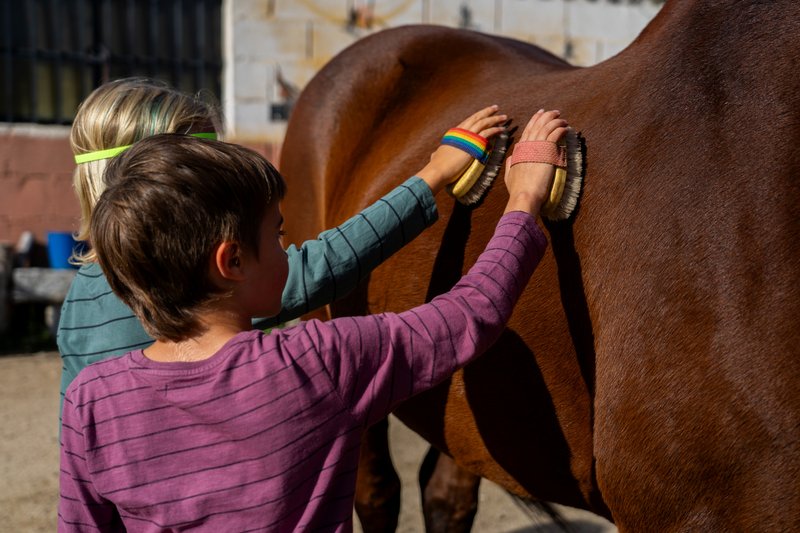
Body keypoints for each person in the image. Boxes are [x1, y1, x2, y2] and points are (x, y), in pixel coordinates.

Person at [58, 109, 568, 531]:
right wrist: (523, 199)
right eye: (277, 235)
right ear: (232, 262)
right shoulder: (317, 360)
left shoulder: (91, 402)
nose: (289, 250)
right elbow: (468, 316)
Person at [57, 77, 507, 417]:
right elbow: (320, 265)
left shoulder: (80, 300)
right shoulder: (200, 281)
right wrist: (431, 178)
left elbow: (77, 429)